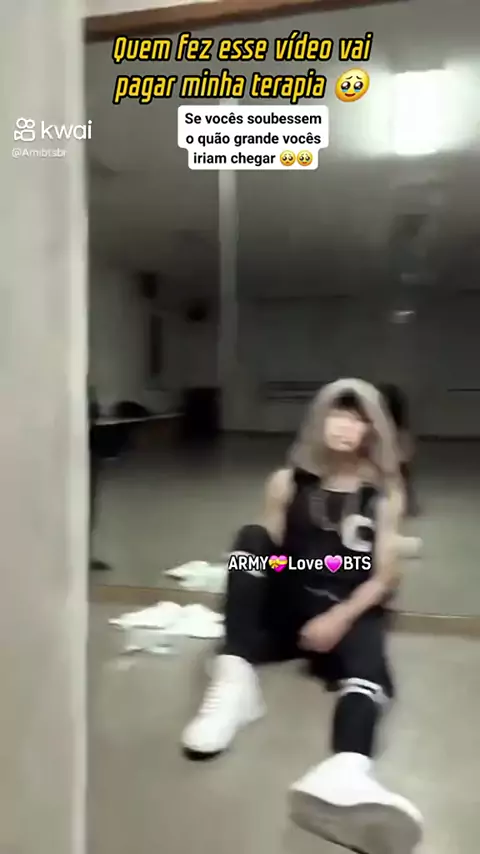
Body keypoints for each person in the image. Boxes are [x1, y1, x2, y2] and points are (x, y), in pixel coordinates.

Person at [181, 378, 423, 854]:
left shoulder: (383, 494)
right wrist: (278, 575)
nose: (345, 426)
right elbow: (269, 556)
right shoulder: (287, 482)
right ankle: (234, 684)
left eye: (357, 419)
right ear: (319, 419)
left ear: (371, 431)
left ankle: (347, 769)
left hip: (348, 608)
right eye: (338, 414)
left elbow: (383, 578)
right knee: (249, 542)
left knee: (369, 667)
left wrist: (338, 617)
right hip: (293, 608)